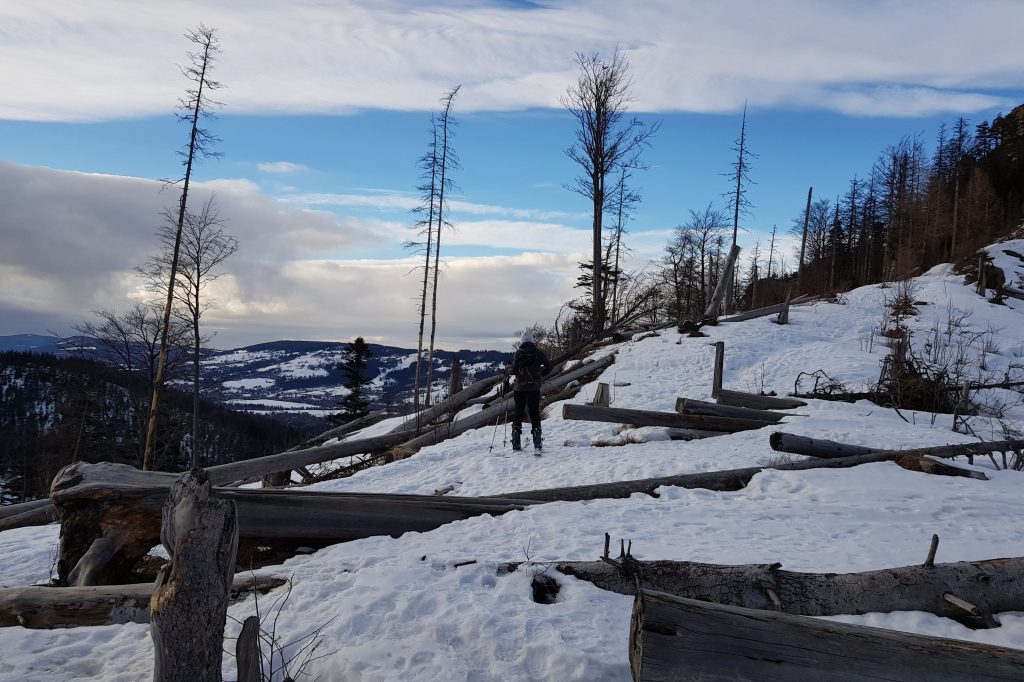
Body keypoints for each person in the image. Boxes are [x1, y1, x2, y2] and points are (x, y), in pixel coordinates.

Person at [508, 330, 552, 452]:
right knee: (534, 412)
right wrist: (541, 375)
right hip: (534, 388)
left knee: (518, 412)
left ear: (522, 341)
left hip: (519, 388)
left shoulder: (518, 353)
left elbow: (514, 371)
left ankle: (516, 440)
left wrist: (509, 370)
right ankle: (537, 440)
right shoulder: (539, 353)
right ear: (532, 340)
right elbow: (549, 367)